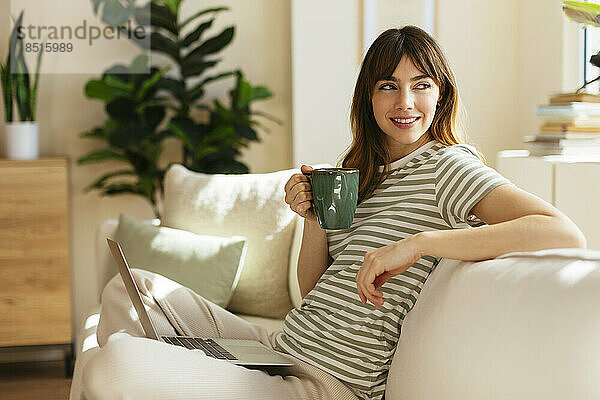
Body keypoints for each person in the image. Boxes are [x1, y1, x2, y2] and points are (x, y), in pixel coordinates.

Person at [81, 26, 586, 400]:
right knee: (129, 290)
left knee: (113, 366)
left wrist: (420, 243)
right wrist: (311, 218)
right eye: (387, 85)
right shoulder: (360, 174)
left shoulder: (448, 166)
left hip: (332, 383)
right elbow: (312, 288)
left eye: (421, 84)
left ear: (442, 93)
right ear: (368, 98)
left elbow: (561, 231)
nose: (405, 100)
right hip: (283, 347)